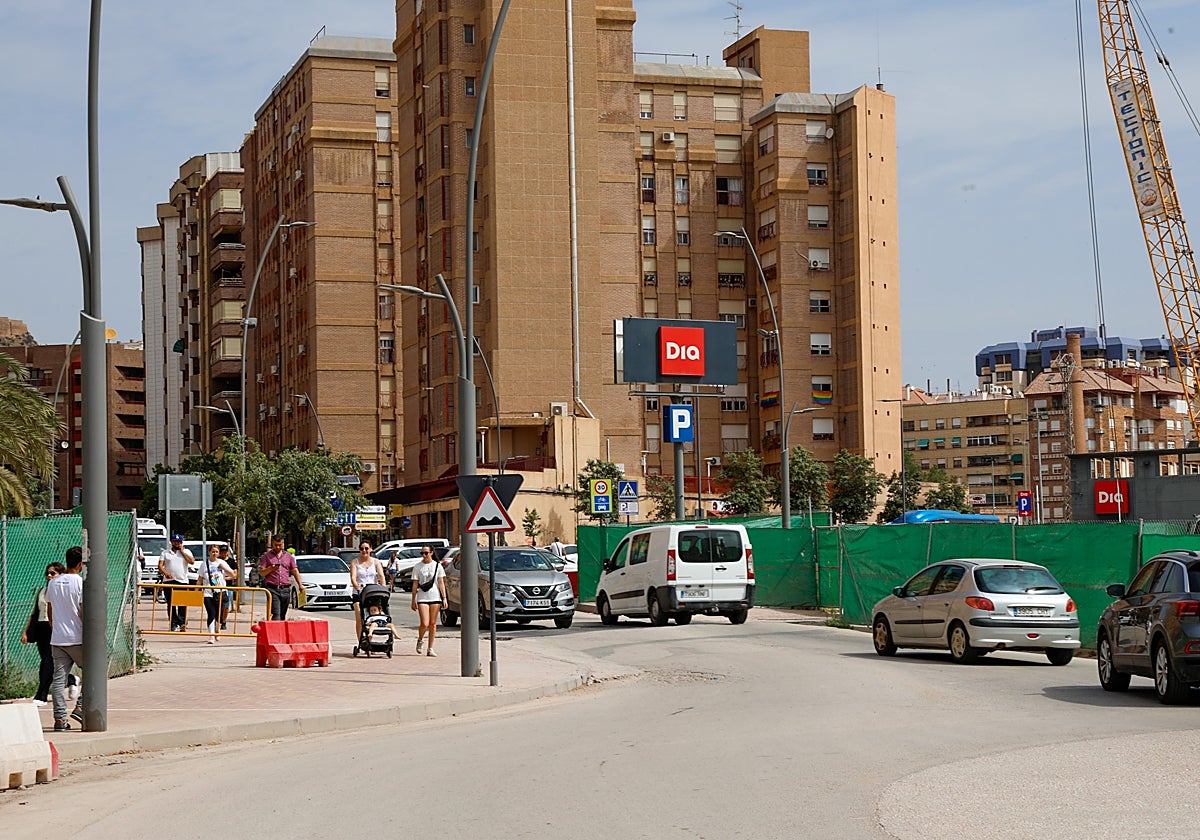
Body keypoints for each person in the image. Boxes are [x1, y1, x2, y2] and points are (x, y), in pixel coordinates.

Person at [46, 546, 84, 731]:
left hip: (58, 639)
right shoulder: (80, 582)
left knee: (59, 681)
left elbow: (50, 610)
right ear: (80, 564)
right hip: (77, 638)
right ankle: (81, 706)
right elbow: (82, 610)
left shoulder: (53, 583)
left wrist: (55, 628)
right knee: (95, 672)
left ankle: (60, 720)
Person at [21, 562, 66, 706]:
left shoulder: (62, 591)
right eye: (47, 573)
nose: (49, 576)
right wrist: (25, 631)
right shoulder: (42, 591)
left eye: (53, 573)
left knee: (48, 660)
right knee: (46, 660)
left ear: (60, 575)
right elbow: (34, 612)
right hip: (41, 627)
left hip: (54, 626)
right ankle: (71, 679)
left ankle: (41, 695)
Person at [411, 547, 448, 657]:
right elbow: (415, 584)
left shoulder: (437, 566)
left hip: (435, 596)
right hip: (422, 597)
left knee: (432, 623)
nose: (424, 555)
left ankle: (430, 648)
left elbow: (441, 582)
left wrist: (444, 598)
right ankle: (420, 639)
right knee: (424, 623)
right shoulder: (418, 566)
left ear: (431, 553)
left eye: (426, 553)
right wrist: (413, 599)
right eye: (422, 553)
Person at [259, 535, 303, 621]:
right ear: (272, 544)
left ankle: (279, 628)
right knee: (276, 614)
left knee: (282, 615)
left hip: (285, 589)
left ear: (283, 544)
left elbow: (294, 571)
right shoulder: (266, 556)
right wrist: (271, 568)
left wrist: (300, 585)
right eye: (276, 545)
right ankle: (276, 628)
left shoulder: (289, 556)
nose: (278, 547)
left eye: (280, 545)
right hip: (272, 589)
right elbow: (262, 572)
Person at [350, 540, 387, 638]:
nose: (364, 551)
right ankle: (360, 640)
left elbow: (381, 576)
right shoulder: (355, 562)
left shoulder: (376, 562)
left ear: (370, 549)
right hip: (359, 592)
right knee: (359, 616)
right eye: (361, 549)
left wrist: (383, 587)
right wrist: (357, 587)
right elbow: (353, 577)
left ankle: (371, 635)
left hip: (372, 592)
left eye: (366, 548)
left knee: (373, 615)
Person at [199, 544, 235, 644]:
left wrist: (224, 568)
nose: (214, 554)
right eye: (213, 552)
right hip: (208, 592)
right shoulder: (204, 564)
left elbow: (233, 575)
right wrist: (195, 591)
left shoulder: (222, 563)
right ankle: (211, 635)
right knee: (211, 613)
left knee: (219, 614)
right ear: (209, 552)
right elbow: (200, 579)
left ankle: (217, 629)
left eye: (216, 552)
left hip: (221, 592)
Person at [158, 534, 193, 631]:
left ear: (181, 543)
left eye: (179, 542)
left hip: (182, 581)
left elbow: (191, 561)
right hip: (169, 581)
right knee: (171, 603)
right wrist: (166, 573)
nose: (177, 543)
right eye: (175, 541)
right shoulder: (165, 553)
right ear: (171, 542)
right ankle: (173, 622)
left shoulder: (186, 551)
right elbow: (160, 566)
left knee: (182, 604)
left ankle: (182, 623)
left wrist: (182, 552)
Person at [216, 544, 235, 629]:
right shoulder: (216, 561)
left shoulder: (231, 562)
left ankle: (223, 621)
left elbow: (235, 574)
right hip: (218, 586)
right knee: (217, 605)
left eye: (225, 552)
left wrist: (225, 578)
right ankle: (218, 620)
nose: (223, 554)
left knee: (226, 606)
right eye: (222, 552)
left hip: (228, 586)